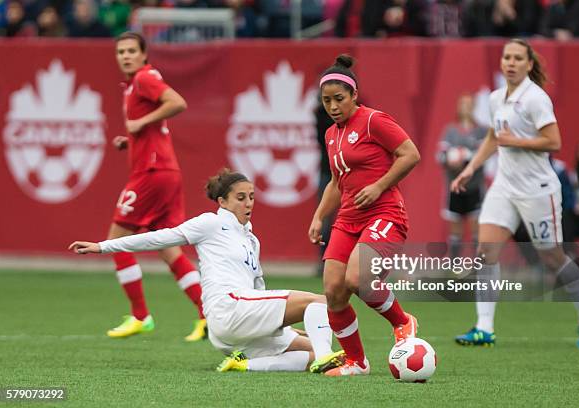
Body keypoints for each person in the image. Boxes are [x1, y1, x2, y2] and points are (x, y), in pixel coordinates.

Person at [69, 169, 346, 374]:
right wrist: (102, 246)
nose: (248, 203)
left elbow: (260, 291)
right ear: (223, 202)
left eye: (251, 197)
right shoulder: (210, 224)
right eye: (240, 198)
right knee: (320, 302)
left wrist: (283, 323)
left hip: (241, 321)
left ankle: (246, 365)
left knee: (314, 345)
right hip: (229, 309)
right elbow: (159, 237)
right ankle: (326, 359)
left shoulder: (251, 239)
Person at [451, 38, 579, 348]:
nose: (510, 62)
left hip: (538, 191)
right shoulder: (495, 98)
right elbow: (495, 137)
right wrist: (471, 167)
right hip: (505, 187)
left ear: (529, 64)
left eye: (518, 58)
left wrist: (517, 141)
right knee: (486, 253)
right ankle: (484, 328)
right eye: (507, 57)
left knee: (552, 258)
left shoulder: (536, 99)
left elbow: (554, 142)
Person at [308, 55, 421, 376]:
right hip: (347, 218)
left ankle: (403, 321)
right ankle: (356, 362)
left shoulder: (374, 120)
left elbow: (410, 154)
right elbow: (335, 181)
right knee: (333, 291)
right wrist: (318, 217)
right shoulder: (331, 134)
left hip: (385, 212)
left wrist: (380, 185)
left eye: (339, 99)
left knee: (358, 279)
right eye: (326, 100)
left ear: (354, 95)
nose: (332, 106)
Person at [103, 32, 206, 341]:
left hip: (152, 172)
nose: (125, 56)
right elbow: (152, 126)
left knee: (116, 241)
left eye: (132, 51)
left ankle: (140, 315)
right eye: (121, 51)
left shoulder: (145, 78)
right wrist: (131, 139)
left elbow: (177, 102)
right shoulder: (136, 83)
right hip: (164, 171)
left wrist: (141, 123)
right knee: (169, 250)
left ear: (144, 53)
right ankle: (207, 315)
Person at [437, 93, 487, 258]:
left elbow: (484, 153)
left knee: (475, 227)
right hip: (454, 187)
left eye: (469, 104)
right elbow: (440, 155)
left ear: (474, 107)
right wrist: (449, 159)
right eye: (462, 104)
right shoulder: (450, 131)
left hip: (474, 187)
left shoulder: (482, 131)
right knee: (455, 229)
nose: (465, 107)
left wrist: (464, 155)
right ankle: (454, 266)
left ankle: (477, 266)